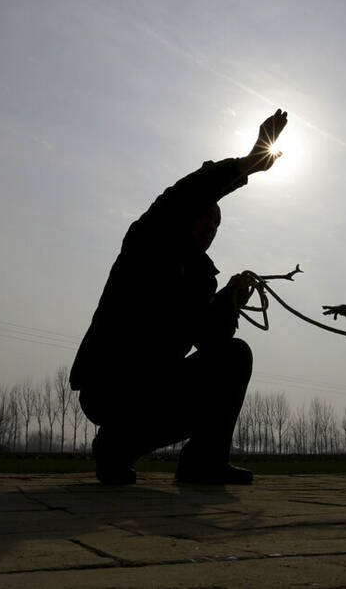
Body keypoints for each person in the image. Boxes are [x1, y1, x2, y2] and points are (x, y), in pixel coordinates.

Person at [70, 109, 289, 485]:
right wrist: (250, 162)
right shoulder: (147, 241)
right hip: (111, 384)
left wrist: (227, 301)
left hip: (156, 385)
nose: (211, 228)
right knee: (150, 390)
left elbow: (209, 339)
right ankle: (116, 443)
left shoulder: (203, 279)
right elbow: (184, 194)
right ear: (185, 217)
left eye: (218, 225)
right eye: (206, 218)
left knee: (234, 357)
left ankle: (199, 462)